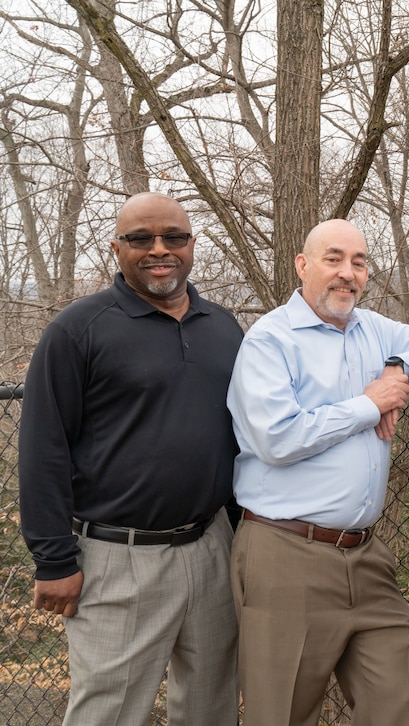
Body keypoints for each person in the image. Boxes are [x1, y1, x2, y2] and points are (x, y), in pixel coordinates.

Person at [18, 192, 242, 725]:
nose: (159, 250)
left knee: (212, 708)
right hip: (118, 559)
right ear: (117, 247)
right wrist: (53, 559)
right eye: (141, 239)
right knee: (109, 714)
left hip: (213, 546)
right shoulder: (78, 330)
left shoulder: (224, 328)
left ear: (192, 245)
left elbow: (240, 438)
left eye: (175, 237)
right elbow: (43, 447)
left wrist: (241, 538)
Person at [226, 218, 409, 726]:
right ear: (303, 265)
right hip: (286, 554)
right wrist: (369, 403)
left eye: (359, 262)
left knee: (393, 703)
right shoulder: (270, 340)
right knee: (282, 714)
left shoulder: (375, 329)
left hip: (367, 557)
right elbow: (278, 439)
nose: (348, 274)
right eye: (334, 259)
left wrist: (398, 367)